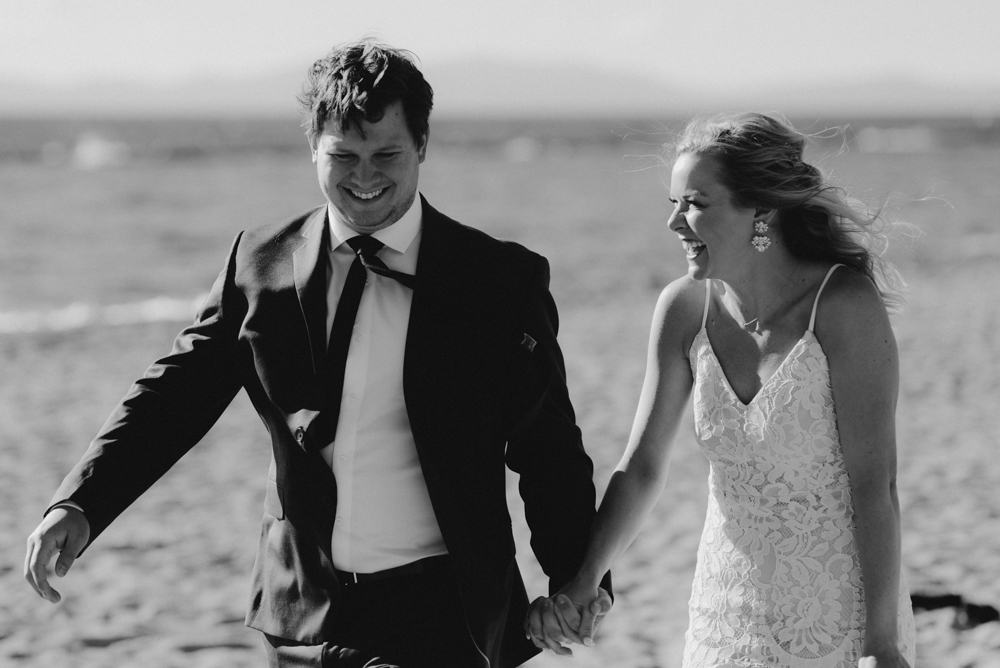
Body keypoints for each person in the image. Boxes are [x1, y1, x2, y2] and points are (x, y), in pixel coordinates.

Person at [24, 40, 610, 668]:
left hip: (445, 614)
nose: (364, 177)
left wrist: (573, 584)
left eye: (386, 154)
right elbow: (173, 396)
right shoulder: (258, 265)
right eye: (343, 157)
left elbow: (547, 449)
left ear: (422, 146)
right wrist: (80, 501)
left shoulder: (497, 281)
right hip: (302, 614)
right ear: (313, 149)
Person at [526, 113, 917, 667]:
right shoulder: (684, 308)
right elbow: (642, 466)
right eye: (673, 204)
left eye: (695, 204)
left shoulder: (844, 306)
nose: (675, 224)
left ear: (760, 208)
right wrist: (585, 577)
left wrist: (881, 643)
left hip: (840, 614)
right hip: (726, 610)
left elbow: (876, 485)